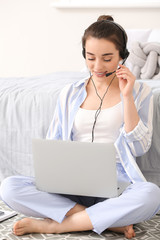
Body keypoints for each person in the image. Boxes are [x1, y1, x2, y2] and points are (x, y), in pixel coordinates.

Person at [0, 15, 160, 239]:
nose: (97, 66)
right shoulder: (69, 93)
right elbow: (54, 143)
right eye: (90, 57)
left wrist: (127, 97)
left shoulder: (140, 92)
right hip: (71, 182)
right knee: (9, 187)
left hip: (117, 184)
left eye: (107, 58)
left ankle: (59, 225)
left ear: (122, 56)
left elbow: (139, 147)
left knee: (151, 195)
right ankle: (100, 219)